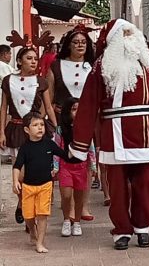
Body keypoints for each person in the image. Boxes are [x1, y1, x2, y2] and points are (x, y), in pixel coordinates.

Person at [69, 18, 149, 250]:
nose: (131, 37)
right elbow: (88, 105)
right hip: (115, 132)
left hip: (147, 132)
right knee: (117, 187)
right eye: (125, 33)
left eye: (132, 33)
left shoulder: (148, 66)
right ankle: (121, 230)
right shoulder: (101, 67)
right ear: (114, 40)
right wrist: (80, 142)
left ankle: (143, 226)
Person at [0, 45, 57, 225]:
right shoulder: (8, 81)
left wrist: (56, 128)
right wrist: (1, 131)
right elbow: (4, 107)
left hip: (36, 129)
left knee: (33, 170)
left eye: (35, 58)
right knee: (21, 171)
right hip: (17, 129)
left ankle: (27, 211)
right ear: (19, 61)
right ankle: (22, 203)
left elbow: (48, 107)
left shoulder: (41, 82)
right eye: (29, 58)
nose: (33, 61)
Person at [46, 24, 95, 220]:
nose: (80, 45)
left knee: (85, 161)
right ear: (68, 45)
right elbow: (48, 94)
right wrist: (48, 117)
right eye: (76, 42)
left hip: (86, 120)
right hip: (61, 119)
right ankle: (69, 206)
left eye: (83, 42)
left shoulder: (93, 67)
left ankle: (84, 205)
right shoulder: (56, 66)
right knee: (64, 160)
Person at [12, 111, 69, 253]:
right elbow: (17, 166)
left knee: (42, 215)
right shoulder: (25, 148)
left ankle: (40, 242)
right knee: (28, 215)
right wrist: (15, 182)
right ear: (27, 130)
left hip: (45, 185)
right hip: (28, 187)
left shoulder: (49, 144)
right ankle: (32, 230)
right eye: (35, 125)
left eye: (42, 125)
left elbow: (64, 154)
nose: (40, 128)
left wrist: (74, 151)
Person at [53, 97, 96, 237]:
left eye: (79, 109)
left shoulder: (85, 128)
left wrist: (94, 166)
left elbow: (91, 148)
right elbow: (56, 148)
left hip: (81, 166)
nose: (77, 112)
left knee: (79, 197)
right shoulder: (60, 130)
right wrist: (55, 166)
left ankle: (77, 221)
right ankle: (66, 219)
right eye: (73, 109)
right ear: (67, 111)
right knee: (66, 195)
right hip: (66, 166)